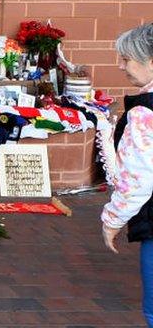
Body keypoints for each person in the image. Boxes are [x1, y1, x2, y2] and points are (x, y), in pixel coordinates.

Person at [101, 23, 153, 326]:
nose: (121, 66)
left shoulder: (145, 113)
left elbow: (138, 179)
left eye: (127, 59)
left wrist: (112, 220)